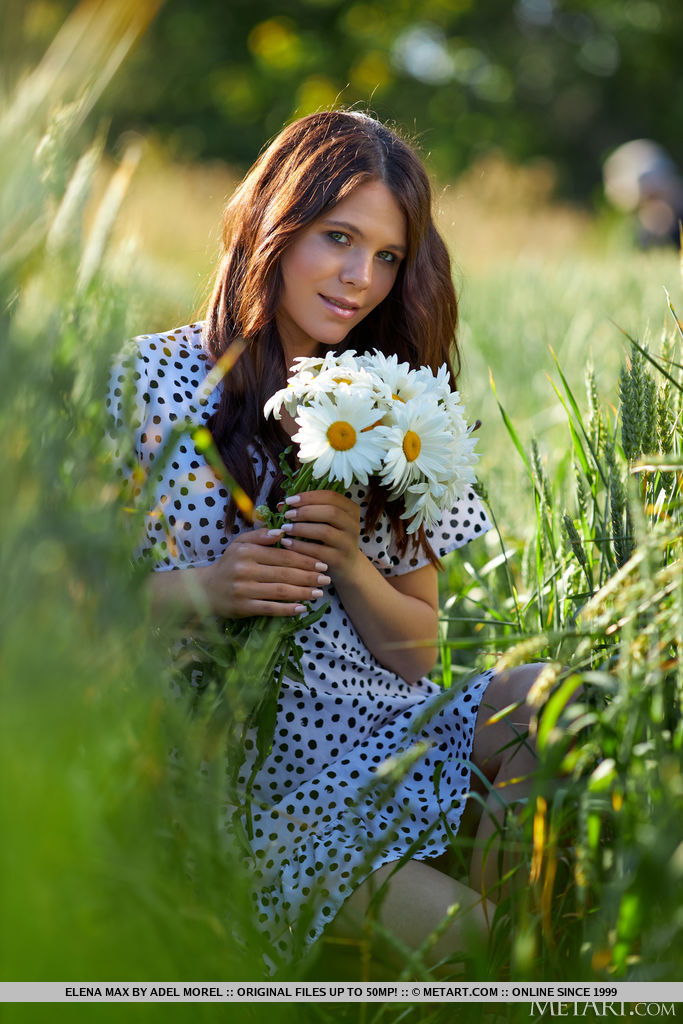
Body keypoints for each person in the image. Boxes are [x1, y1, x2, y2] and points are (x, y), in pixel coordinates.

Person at [108, 110, 546, 976]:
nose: (360, 279)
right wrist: (206, 587)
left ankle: (501, 946)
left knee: (556, 701)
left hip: (378, 729)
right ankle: (475, 951)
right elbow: (53, 602)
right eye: (337, 238)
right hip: (249, 780)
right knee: (477, 941)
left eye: (387, 256)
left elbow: (420, 654)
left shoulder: (403, 405)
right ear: (272, 222)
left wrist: (348, 561)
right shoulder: (146, 379)